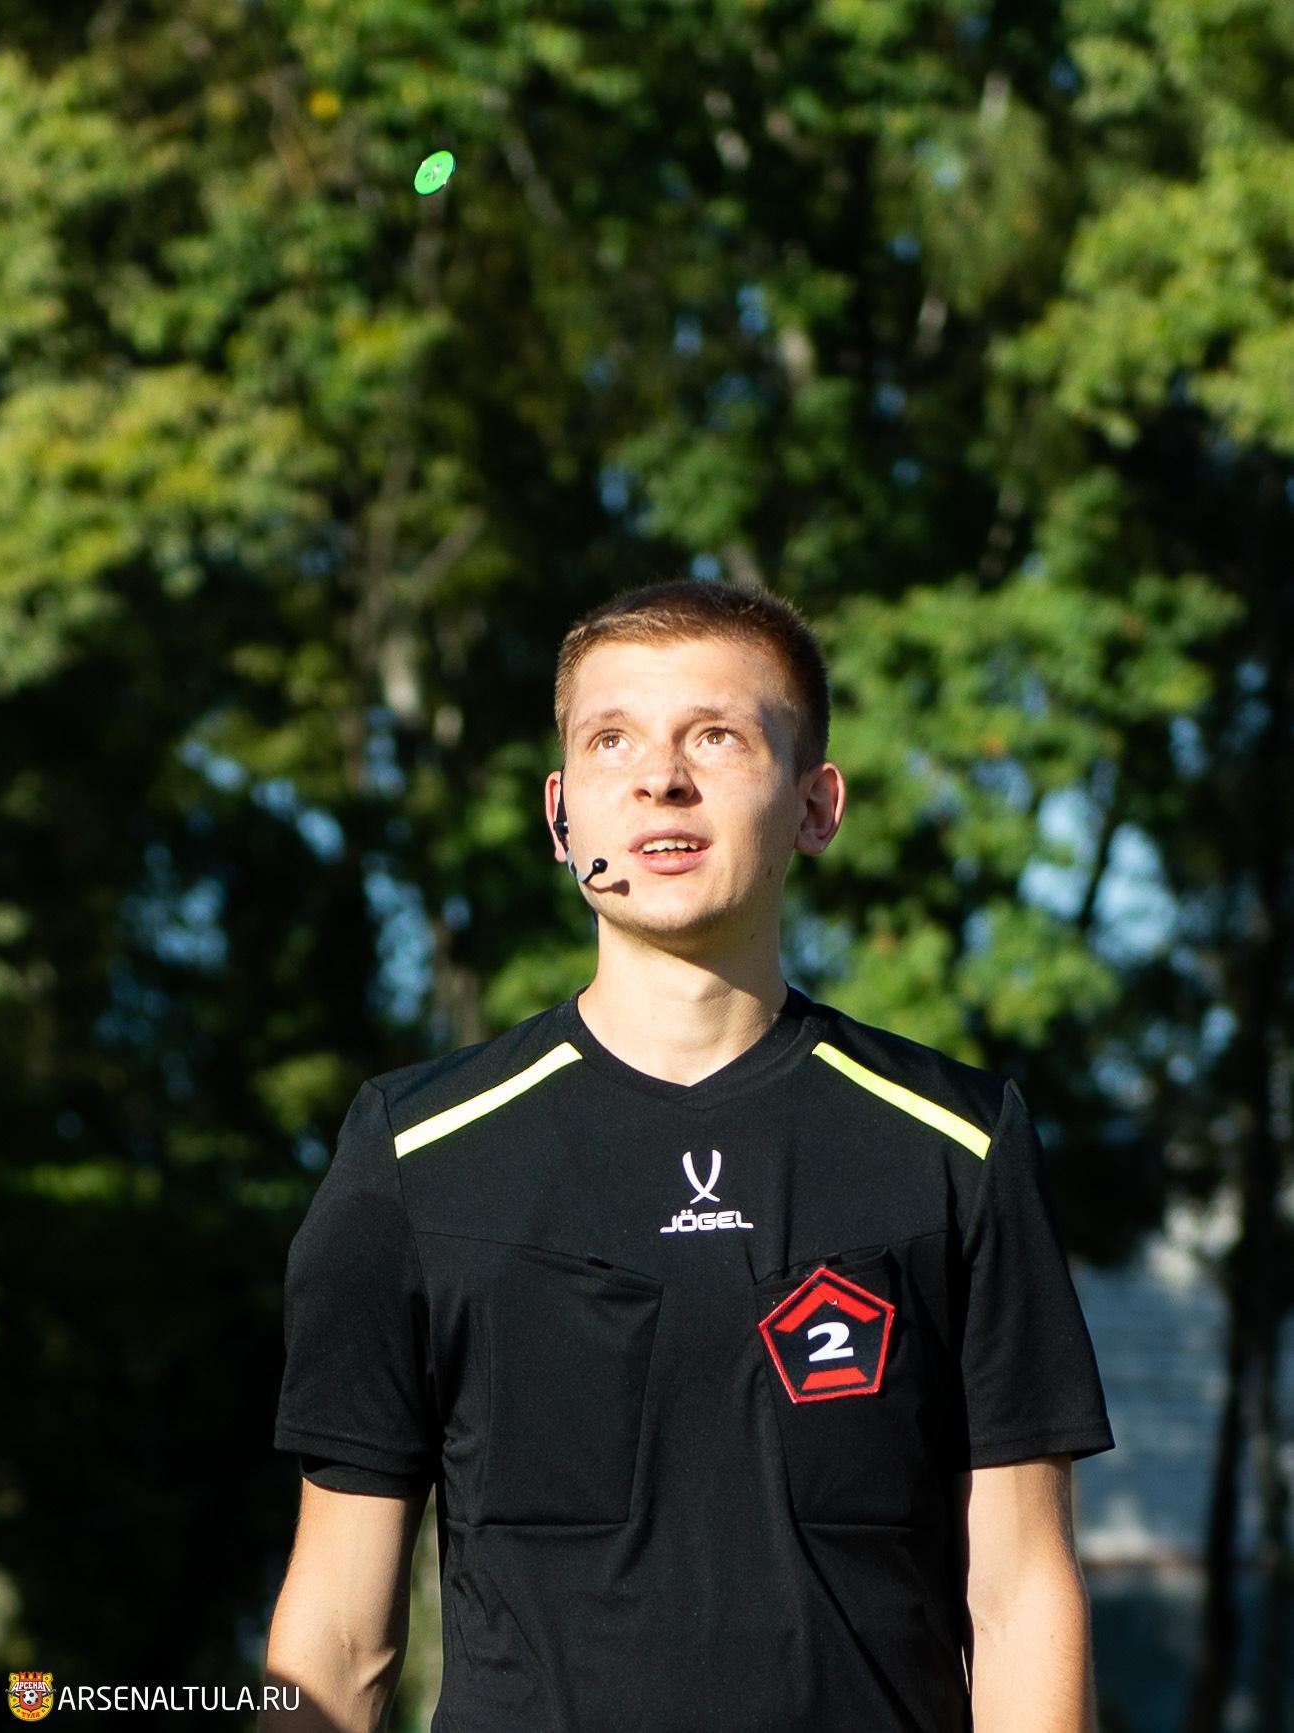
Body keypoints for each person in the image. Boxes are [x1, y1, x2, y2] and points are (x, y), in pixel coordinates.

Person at [264, 579, 1115, 1733]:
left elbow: (1018, 1596)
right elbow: (338, 1630)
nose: (659, 777)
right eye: (611, 740)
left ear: (815, 804)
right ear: (561, 816)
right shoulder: (414, 1153)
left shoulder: (957, 1144)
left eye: (716, 736)